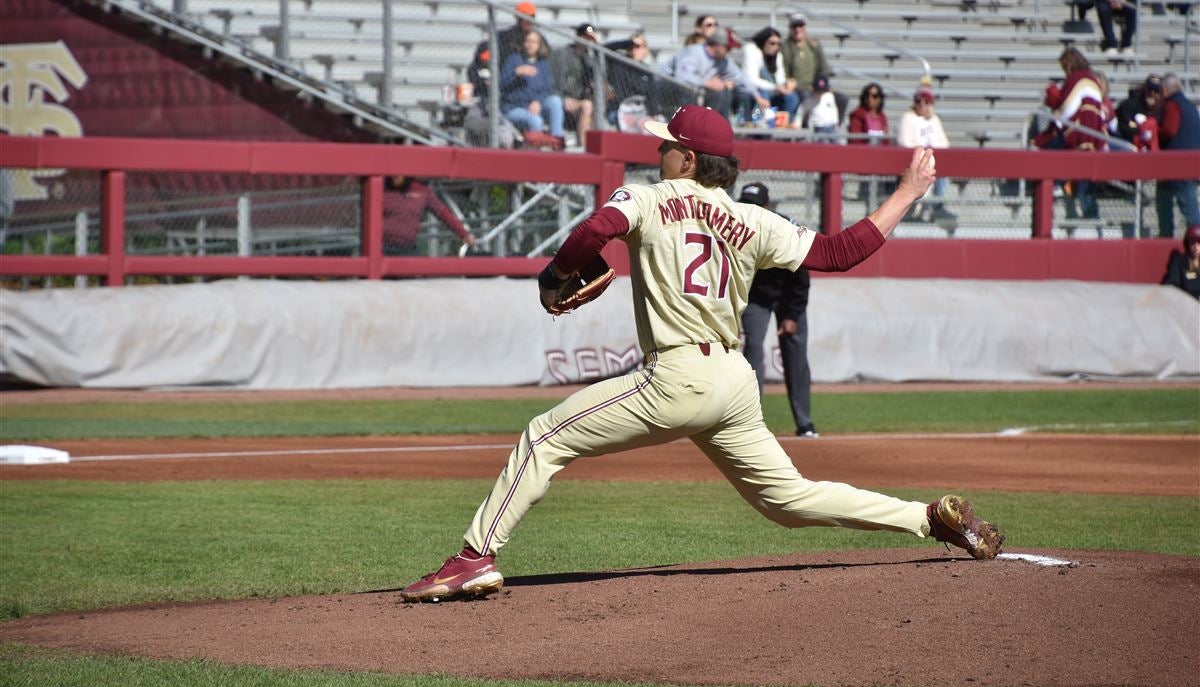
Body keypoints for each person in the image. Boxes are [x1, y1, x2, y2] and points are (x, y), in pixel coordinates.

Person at [400, 104, 1004, 603]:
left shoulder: (648, 197)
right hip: (734, 380)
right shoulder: (752, 218)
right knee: (788, 501)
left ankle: (474, 559)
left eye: (667, 144)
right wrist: (905, 192)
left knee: (542, 436)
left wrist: (555, 274)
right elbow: (842, 251)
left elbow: (591, 233)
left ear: (687, 159)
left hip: (677, 376)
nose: (657, 152)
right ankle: (927, 519)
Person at [736, 182, 818, 438]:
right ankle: (751, 421)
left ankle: (805, 424)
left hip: (787, 295)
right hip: (755, 297)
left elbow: (802, 274)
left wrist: (792, 315)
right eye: (745, 205)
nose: (749, 211)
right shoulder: (734, 227)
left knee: (795, 356)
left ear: (766, 206)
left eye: (754, 206)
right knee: (753, 352)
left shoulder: (784, 227)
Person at [1036, 48, 1107, 219]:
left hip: (1078, 133)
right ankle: (1091, 215)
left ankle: (1054, 188)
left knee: (1052, 152)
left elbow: (1066, 109)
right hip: (1093, 133)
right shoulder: (1092, 80)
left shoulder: (1076, 79)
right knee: (1087, 175)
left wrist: (1052, 97)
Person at [669, 26, 770, 122]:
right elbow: (681, 76)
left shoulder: (723, 61)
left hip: (692, 94)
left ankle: (712, 125)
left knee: (722, 89)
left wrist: (758, 97)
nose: (730, 51)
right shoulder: (694, 52)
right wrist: (706, 83)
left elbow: (741, 79)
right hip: (667, 89)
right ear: (718, 45)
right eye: (728, 48)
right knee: (708, 88)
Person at [897, 83, 956, 223]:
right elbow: (904, 142)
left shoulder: (934, 119)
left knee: (939, 170)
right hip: (917, 160)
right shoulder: (908, 117)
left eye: (926, 101)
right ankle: (918, 210)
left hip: (933, 160)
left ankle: (937, 205)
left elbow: (944, 143)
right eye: (918, 100)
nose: (922, 104)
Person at [500, 29, 566, 148]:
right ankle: (535, 151)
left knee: (555, 101)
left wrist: (538, 101)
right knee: (536, 120)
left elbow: (548, 88)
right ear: (523, 43)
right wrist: (516, 72)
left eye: (534, 42)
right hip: (515, 108)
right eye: (528, 41)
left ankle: (557, 141)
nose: (530, 44)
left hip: (535, 105)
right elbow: (500, 84)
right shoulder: (513, 59)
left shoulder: (543, 63)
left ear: (539, 45)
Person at [779, 13, 846, 127]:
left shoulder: (814, 46)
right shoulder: (786, 48)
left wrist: (822, 85)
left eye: (800, 26)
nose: (798, 29)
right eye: (795, 26)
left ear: (805, 27)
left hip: (816, 86)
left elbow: (823, 68)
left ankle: (835, 127)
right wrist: (792, 83)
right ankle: (805, 128)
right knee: (805, 97)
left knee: (841, 99)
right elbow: (784, 72)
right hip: (797, 87)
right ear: (790, 28)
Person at [1156, 72, 1200, 237]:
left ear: (1165, 90)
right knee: (1191, 212)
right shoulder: (1190, 106)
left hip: (1175, 169)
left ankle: (1166, 244)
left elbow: (1169, 130)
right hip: (1191, 166)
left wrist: (1154, 129)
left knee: (1175, 211)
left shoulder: (1172, 105)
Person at [740, 26, 801, 124]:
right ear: (763, 41)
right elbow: (751, 80)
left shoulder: (778, 56)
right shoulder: (751, 50)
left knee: (791, 96)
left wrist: (787, 85)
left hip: (771, 92)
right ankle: (762, 126)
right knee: (762, 93)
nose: (776, 47)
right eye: (772, 43)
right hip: (752, 93)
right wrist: (775, 87)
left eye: (778, 44)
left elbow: (780, 79)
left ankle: (784, 125)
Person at [551, 23, 598, 147]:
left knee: (591, 105)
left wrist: (597, 45)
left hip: (580, 101)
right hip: (562, 99)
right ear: (577, 36)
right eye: (584, 36)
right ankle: (583, 148)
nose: (587, 41)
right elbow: (552, 81)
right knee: (587, 106)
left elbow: (600, 77)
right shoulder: (562, 54)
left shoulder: (590, 59)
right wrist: (563, 98)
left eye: (590, 38)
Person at [1114, 74, 1163, 151]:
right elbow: (1124, 129)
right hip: (1131, 150)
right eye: (1150, 89)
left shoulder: (1162, 109)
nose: (1152, 93)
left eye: (1156, 90)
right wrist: (1140, 132)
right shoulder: (1130, 106)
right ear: (1145, 89)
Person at [1161, 223, 1200, 298]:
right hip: (1186, 304)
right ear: (1187, 244)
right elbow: (1170, 287)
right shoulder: (1180, 263)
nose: (1196, 247)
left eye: (1199, 242)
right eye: (1192, 242)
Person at [803, 75, 843, 140]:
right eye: (818, 91)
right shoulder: (809, 100)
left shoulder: (829, 96)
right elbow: (802, 111)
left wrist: (836, 123)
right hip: (818, 127)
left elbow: (834, 110)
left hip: (831, 126)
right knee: (823, 144)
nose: (820, 93)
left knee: (837, 145)